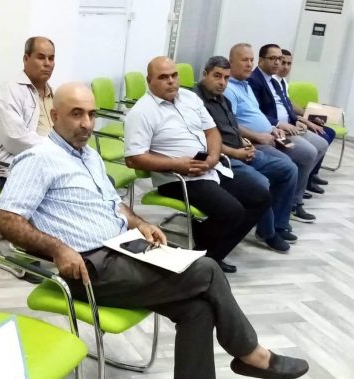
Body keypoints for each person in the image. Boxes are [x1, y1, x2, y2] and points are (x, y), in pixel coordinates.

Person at [0, 82, 309, 379]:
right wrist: (58, 248)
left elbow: (114, 205)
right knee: (206, 269)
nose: (87, 123)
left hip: (124, 250)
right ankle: (252, 354)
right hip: (88, 268)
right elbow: (7, 219)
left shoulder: (88, 155)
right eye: (76, 114)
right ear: (54, 116)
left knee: (198, 309)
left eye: (92, 114)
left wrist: (141, 223)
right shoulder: (38, 159)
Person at [123, 56, 272, 273]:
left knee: (261, 197)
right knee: (232, 212)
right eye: (163, 77)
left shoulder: (189, 98)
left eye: (174, 75)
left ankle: (211, 254)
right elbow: (133, 159)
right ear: (149, 81)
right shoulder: (142, 112)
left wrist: (213, 157)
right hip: (177, 178)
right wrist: (177, 164)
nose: (171, 81)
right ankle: (200, 264)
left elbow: (212, 132)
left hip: (211, 167)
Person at [195, 56, 298, 252]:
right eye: (217, 76)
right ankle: (268, 233)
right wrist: (237, 152)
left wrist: (244, 142)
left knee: (288, 169)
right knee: (261, 183)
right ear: (205, 74)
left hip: (241, 150)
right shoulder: (196, 102)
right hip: (224, 158)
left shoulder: (223, 99)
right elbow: (203, 143)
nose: (222, 82)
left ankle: (279, 224)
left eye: (226, 78)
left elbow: (232, 128)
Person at [225, 43, 318, 223]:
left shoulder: (246, 84)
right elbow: (231, 123)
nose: (249, 64)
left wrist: (273, 128)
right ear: (231, 62)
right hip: (254, 141)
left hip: (272, 134)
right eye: (244, 60)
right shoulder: (231, 88)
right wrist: (259, 135)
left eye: (251, 60)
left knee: (308, 152)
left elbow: (259, 113)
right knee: (290, 165)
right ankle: (277, 220)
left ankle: (285, 210)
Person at [0, 36, 55, 190]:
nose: (47, 63)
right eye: (41, 57)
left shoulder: (52, 93)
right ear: (26, 59)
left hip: (47, 163)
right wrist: (57, 150)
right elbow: (15, 139)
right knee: (67, 192)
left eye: (51, 58)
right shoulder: (10, 91)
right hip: (14, 167)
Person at [277, 48, 335, 189]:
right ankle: (305, 180)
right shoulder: (271, 82)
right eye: (283, 62)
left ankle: (311, 174)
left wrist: (309, 117)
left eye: (289, 64)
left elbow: (289, 105)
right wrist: (305, 120)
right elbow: (284, 111)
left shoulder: (282, 82)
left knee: (328, 132)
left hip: (293, 122)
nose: (286, 67)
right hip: (283, 127)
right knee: (321, 137)